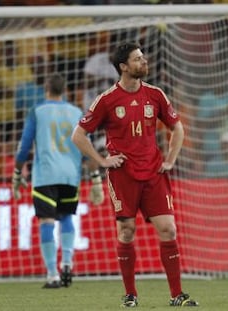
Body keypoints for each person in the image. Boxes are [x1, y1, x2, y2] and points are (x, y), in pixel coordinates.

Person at [71, 42, 199, 307]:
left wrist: (171, 159)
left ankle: (177, 295)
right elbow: (78, 135)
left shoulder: (156, 95)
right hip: (123, 175)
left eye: (143, 58)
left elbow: (178, 129)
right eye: (138, 59)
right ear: (124, 67)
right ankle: (131, 294)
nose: (144, 62)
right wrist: (103, 161)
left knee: (168, 228)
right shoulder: (106, 100)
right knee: (127, 231)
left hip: (153, 172)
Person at [12, 73, 103, 289]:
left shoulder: (37, 111)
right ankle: (68, 263)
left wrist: (17, 174)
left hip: (45, 175)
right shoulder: (76, 112)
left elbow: (24, 146)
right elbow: (87, 147)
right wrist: (96, 177)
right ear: (64, 90)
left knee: (46, 222)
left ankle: (53, 274)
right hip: (71, 175)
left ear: (46, 88)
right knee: (66, 217)